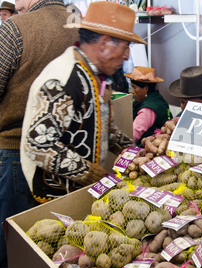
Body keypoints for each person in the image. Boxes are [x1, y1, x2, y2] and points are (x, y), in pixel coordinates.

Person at [20, 2, 146, 202]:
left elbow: (104, 128)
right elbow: (38, 146)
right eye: (125, 46)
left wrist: (134, 152)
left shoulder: (97, 76)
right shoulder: (64, 80)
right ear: (104, 43)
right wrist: (90, 173)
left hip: (79, 190)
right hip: (55, 195)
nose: (127, 55)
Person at [0, 0, 78, 268]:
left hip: (17, 155)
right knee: (60, 250)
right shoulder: (81, 27)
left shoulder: (15, 30)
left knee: (12, 252)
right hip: (70, 157)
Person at [124, 66, 173, 147]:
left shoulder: (148, 109)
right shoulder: (157, 98)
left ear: (146, 88)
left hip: (152, 147)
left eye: (134, 87)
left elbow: (133, 134)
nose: (132, 91)